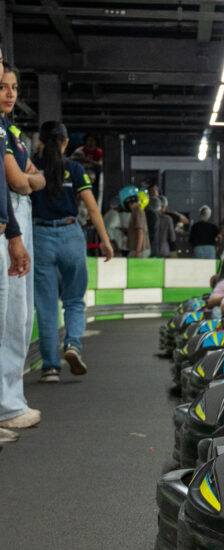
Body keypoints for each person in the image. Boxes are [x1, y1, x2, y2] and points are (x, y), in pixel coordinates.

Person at [30, 121, 113, 384]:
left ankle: (50, 368)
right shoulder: (75, 169)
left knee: (45, 306)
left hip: (40, 235)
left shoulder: (30, 166)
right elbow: (92, 209)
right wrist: (105, 240)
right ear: (66, 143)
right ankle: (73, 345)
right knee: (74, 300)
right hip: (70, 235)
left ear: (40, 142)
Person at [0, 62, 36, 432]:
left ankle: (11, 398)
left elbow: (33, 177)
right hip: (10, 219)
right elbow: (19, 180)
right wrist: (28, 181)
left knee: (19, 317)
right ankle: (7, 403)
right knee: (10, 317)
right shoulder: (1, 132)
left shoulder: (11, 132)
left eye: (13, 86)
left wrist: (29, 180)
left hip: (14, 218)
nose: (10, 93)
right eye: (2, 86)